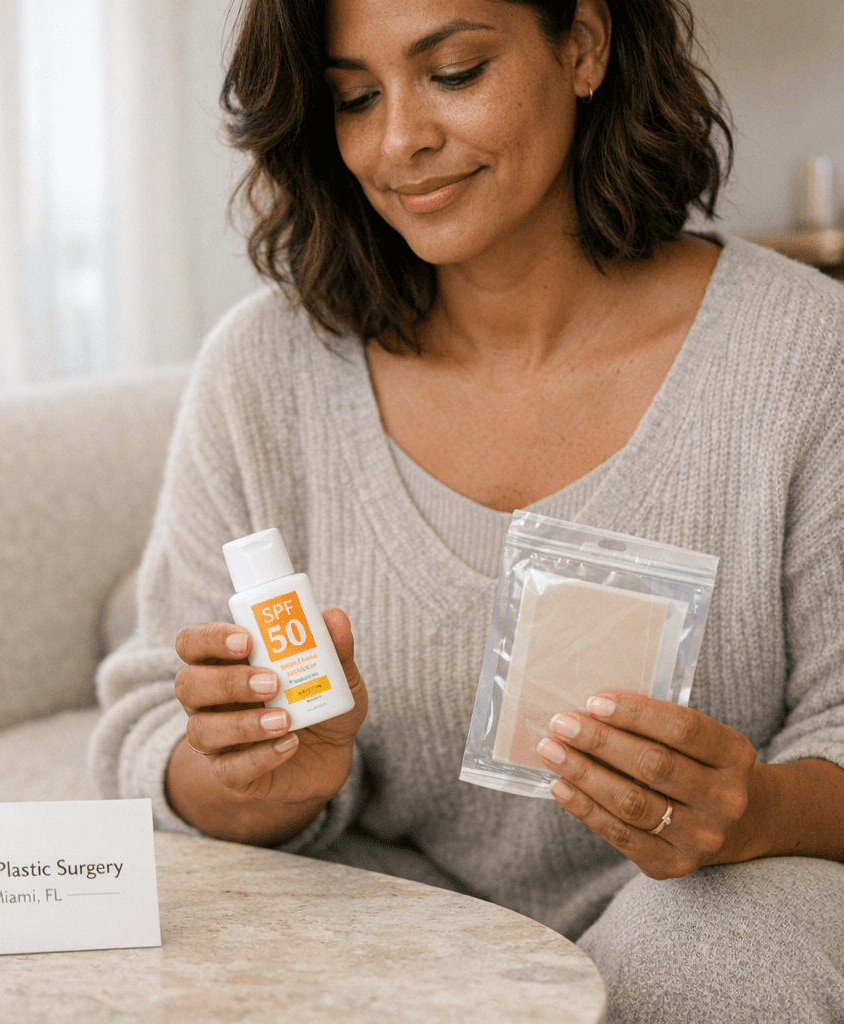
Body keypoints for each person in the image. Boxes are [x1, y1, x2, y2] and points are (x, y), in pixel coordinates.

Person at [89, 1, 844, 1020]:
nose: (398, 141)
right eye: (355, 97)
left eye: (453, 73)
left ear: (583, 45)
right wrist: (258, 779)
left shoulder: (806, 357)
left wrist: (753, 811)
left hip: (710, 908)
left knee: (715, 961)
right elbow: (148, 735)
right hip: (389, 918)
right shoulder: (264, 370)